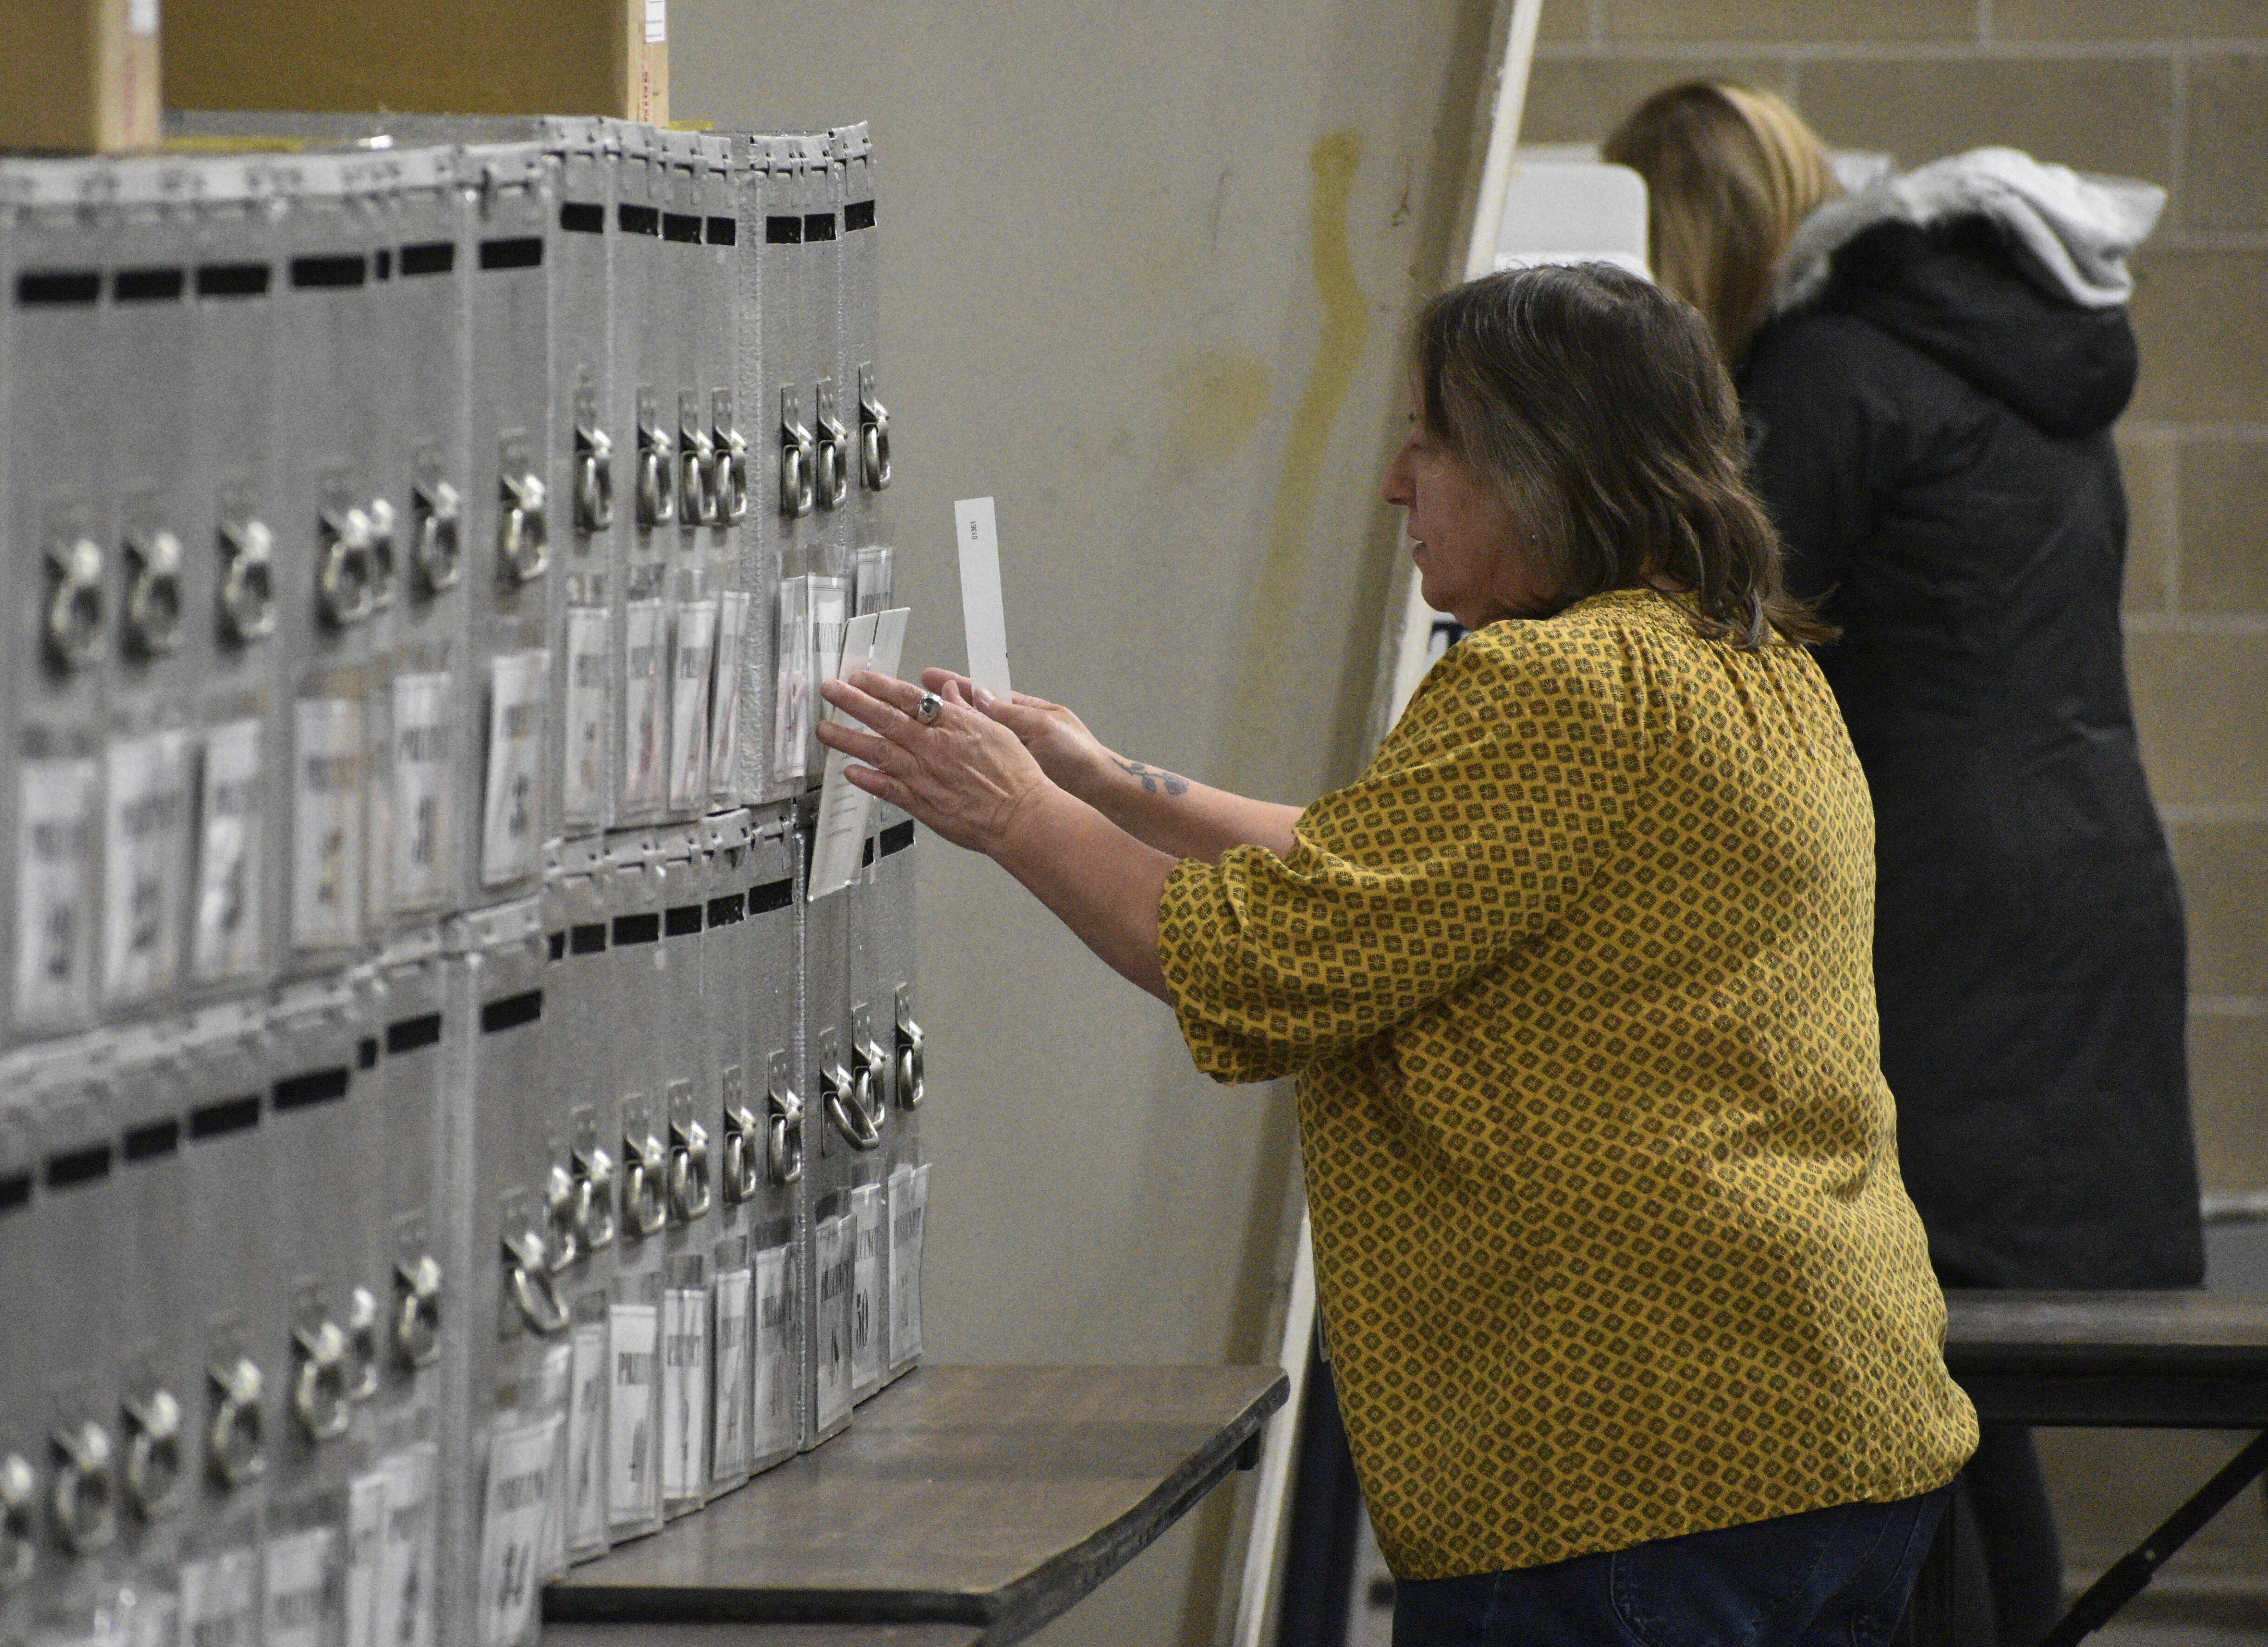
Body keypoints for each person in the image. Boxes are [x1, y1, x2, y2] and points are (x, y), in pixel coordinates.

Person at [819, 262, 1976, 1647]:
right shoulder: (1738, 662)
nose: (1393, 483)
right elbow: (1406, 868)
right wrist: (1104, 779)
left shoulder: (1551, 684)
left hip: (1638, 1456)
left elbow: (1261, 961)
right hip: (1819, 1420)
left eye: (1429, 439)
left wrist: (1010, 812)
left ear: (1536, 465)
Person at [1605, 82, 2206, 1647]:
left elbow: (1704, 646)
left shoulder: (1827, 377)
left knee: (1902, 1366)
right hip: (2067, 883)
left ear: (1695, 241)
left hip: (1945, 919)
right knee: (1951, 1368)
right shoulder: (2000, 362)